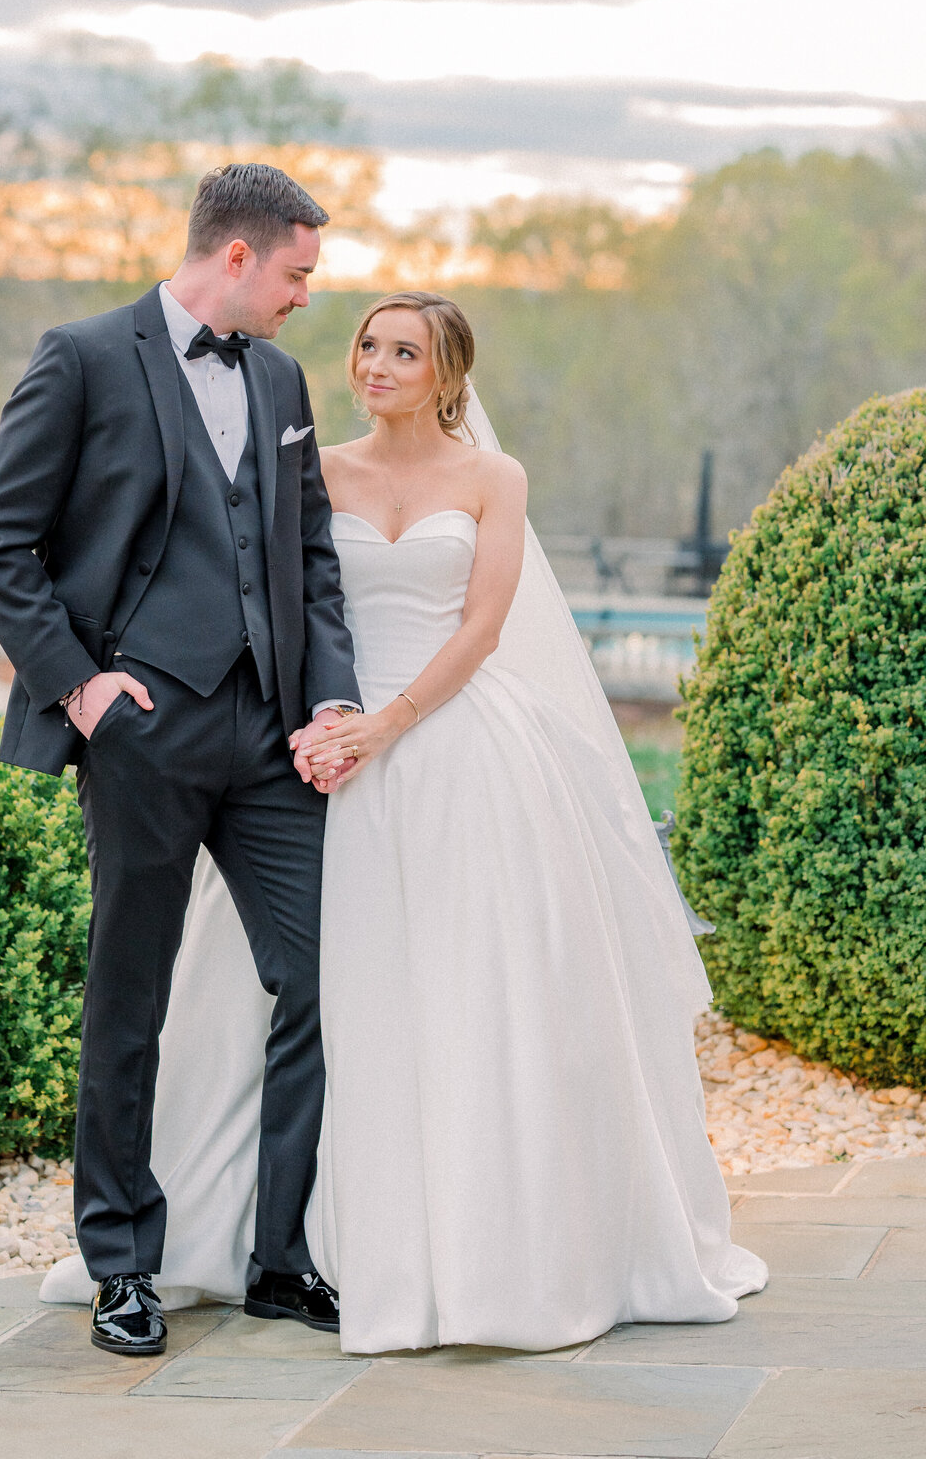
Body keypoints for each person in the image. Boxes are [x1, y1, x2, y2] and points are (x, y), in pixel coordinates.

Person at [44, 288, 767, 1355]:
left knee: (473, 982)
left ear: (448, 375)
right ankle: (258, 1240)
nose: (375, 365)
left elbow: (483, 625)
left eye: (403, 351)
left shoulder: (492, 479)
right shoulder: (314, 467)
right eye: (367, 345)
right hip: (318, 750)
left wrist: (389, 724)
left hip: (456, 741)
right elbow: (283, 603)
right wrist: (313, 723)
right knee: (310, 984)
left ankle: (468, 1234)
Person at [0, 163, 361, 1358]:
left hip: (273, 737)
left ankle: (280, 1256)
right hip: (143, 728)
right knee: (127, 994)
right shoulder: (84, 356)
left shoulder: (281, 378)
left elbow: (310, 558)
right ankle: (121, 1264)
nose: (305, 300)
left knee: (321, 978)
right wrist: (80, 685)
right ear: (236, 258)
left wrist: (331, 698)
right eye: (297, 273)